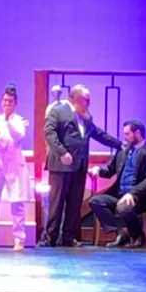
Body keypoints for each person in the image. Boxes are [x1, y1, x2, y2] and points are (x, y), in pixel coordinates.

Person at [41, 84, 119, 248]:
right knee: (57, 203)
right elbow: (49, 133)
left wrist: (119, 145)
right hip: (62, 165)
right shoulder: (58, 111)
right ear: (76, 99)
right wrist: (62, 152)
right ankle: (50, 238)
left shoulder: (86, 117)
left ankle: (68, 237)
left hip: (79, 166)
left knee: (74, 203)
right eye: (87, 100)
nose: (89, 103)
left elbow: (98, 134)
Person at [88, 120, 146, 248]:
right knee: (95, 201)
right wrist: (98, 170)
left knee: (123, 207)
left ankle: (138, 236)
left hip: (139, 197)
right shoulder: (122, 151)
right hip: (119, 195)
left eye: (127, 134)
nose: (125, 137)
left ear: (137, 133)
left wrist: (132, 193)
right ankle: (120, 233)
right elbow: (109, 171)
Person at [0, 84, 34, 251]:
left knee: (16, 202)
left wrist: (6, 121)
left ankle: (19, 239)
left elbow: (18, 136)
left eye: (10, 101)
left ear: (15, 103)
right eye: (5, 100)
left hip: (13, 165)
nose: (7, 104)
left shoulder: (19, 121)